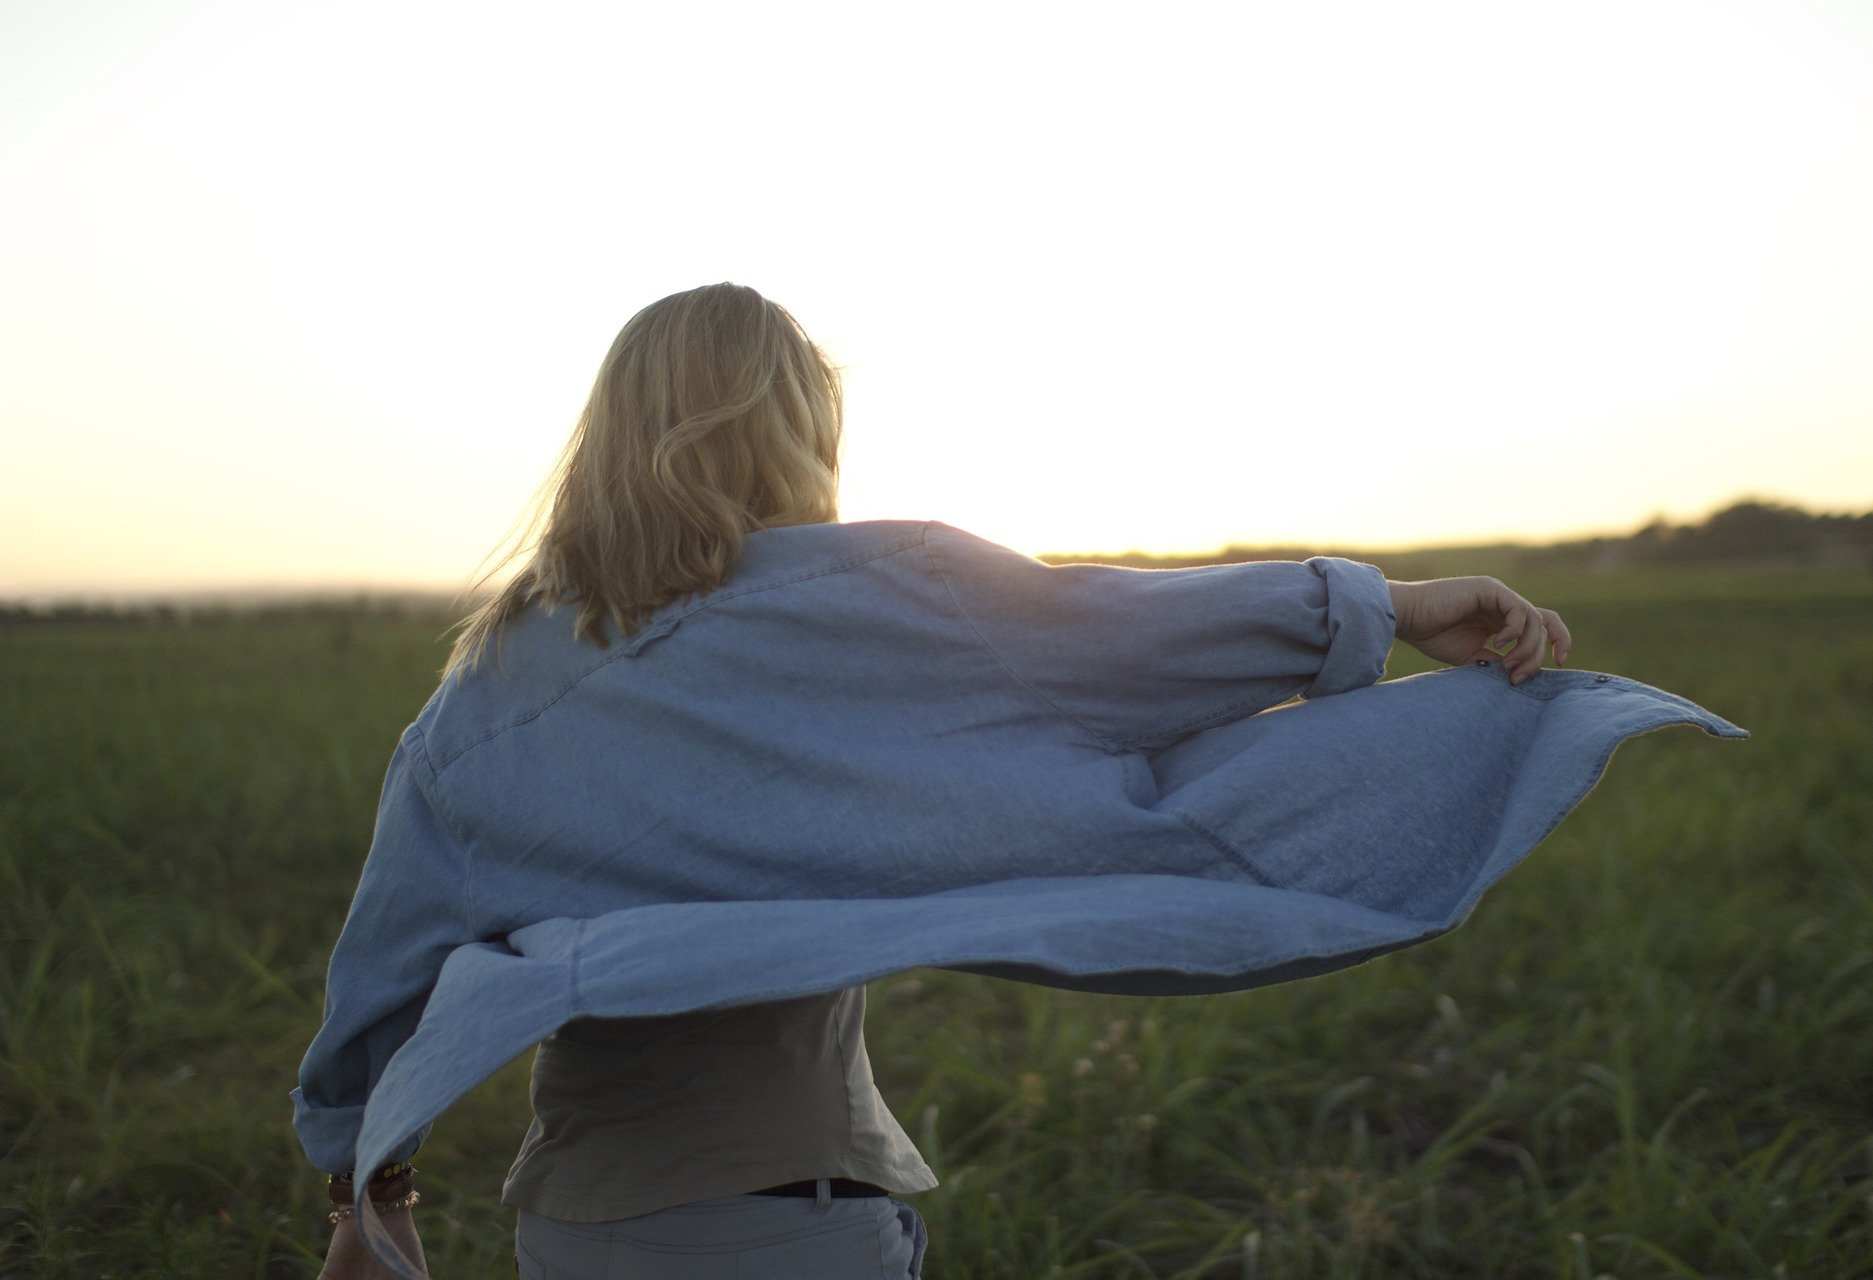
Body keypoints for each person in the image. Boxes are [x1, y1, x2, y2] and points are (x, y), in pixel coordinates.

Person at [295, 283, 1741, 1280]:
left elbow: (380, 983)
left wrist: (371, 1200)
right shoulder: (874, 597)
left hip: (576, 1227)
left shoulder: (479, 699)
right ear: (797, 429)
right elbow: (1115, 629)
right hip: (789, 1227)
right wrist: (1385, 605)